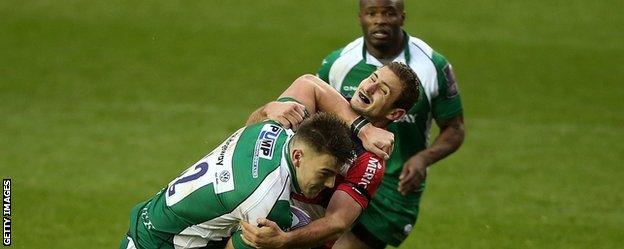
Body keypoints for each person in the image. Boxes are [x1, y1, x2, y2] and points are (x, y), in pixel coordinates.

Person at [317, 0, 466, 248]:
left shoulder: (432, 66)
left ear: (402, 17)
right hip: (340, 173)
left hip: (394, 189)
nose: (380, 20)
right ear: (360, 17)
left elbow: (455, 128)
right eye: (372, 13)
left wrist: (423, 159)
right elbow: (315, 108)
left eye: (389, 13)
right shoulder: (339, 63)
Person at [240, 62, 421, 249]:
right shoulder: (322, 102)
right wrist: (266, 110)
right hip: (246, 207)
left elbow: (337, 222)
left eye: (382, 90)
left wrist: (283, 240)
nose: (369, 87)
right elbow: (249, 140)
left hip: (290, 238)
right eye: (372, 78)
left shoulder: (370, 160)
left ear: (395, 113)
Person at [119, 113, 355, 249]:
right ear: (297, 157)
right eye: (324, 172)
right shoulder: (269, 204)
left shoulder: (270, 128)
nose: (330, 184)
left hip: (150, 220)